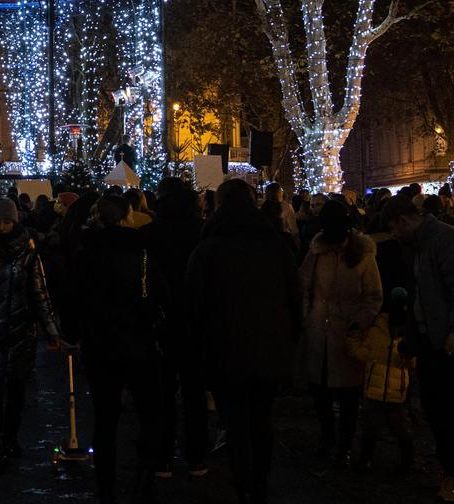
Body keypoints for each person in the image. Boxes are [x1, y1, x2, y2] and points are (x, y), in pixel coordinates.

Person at [187, 179, 301, 504]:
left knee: (235, 421)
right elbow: (295, 296)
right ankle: (260, 484)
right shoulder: (276, 245)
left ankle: (243, 484)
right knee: (262, 419)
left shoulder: (207, 248)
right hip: (269, 348)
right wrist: (291, 340)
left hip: (224, 351)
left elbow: (194, 304)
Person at [381, 197, 454, 504]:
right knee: (434, 405)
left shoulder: (446, 238)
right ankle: (448, 467)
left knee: (450, 408)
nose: (393, 235)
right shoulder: (417, 244)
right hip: (432, 334)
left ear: (404, 221)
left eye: (393, 229)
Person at [67, 193, 163, 504]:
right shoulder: (143, 251)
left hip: (100, 344)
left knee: (105, 418)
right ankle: (144, 477)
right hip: (138, 342)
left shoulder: (86, 251)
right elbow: (159, 295)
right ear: (126, 216)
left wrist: (76, 331)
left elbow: (75, 297)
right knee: (148, 413)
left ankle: (105, 485)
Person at [0, 196, 62, 472]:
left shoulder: (27, 248)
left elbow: (38, 290)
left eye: (6, 221)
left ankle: (10, 438)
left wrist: (50, 329)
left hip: (21, 328)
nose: (1, 227)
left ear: (15, 221)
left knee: (16, 391)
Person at [299, 197, 382, 465]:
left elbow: (373, 296)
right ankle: (327, 438)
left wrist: (359, 322)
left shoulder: (363, 256)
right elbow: (304, 286)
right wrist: (306, 317)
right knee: (320, 391)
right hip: (318, 332)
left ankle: (344, 444)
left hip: (348, 334)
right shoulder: (317, 252)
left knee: (348, 396)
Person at [144, 179, 208, 479]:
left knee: (162, 392)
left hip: (162, 320)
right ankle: (197, 456)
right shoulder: (202, 233)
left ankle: (162, 458)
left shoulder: (151, 233)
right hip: (195, 319)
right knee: (195, 391)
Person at [348, 287, 415, 474]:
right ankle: (366, 460)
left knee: (400, 430)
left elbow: (414, 362)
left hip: (395, 395)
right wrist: (352, 339)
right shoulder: (378, 331)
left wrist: (409, 355)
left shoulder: (402, 335)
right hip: (376, 394)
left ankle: (405, 463)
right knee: (371, 430)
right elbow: (361, 352)